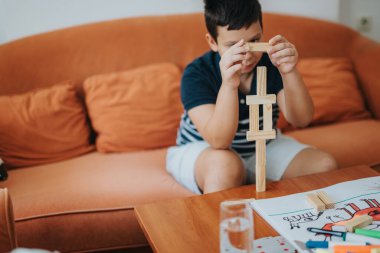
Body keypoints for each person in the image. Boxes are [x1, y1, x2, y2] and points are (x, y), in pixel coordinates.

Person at [166, 0, 338, 194]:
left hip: (262, 145)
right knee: (225, 167)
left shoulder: (270, 64)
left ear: (262, 32)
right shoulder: (197, 73)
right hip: (206, 151)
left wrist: (289, 72)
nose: (247, 55)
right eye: (233, 46)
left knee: (324, 164)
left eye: (255, 41)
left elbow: (301, 119)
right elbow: (219, 141)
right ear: (212, 42)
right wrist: (229, 84)